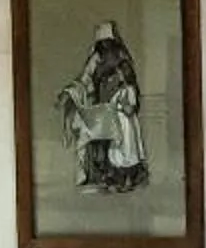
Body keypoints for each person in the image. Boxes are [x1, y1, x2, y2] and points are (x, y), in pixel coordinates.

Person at [56, 21, 149, 194]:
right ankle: (104, 175)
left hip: (118, 108)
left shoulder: (122, 58)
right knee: (101, 140)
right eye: (103, 43)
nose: (106, 46)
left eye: (108, 42)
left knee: (122, 143)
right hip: (102, 104)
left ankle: (123, 176)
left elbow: (130, 82)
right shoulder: (96, 57)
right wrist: (71, 92)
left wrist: (125, 97)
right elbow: (86, 77)